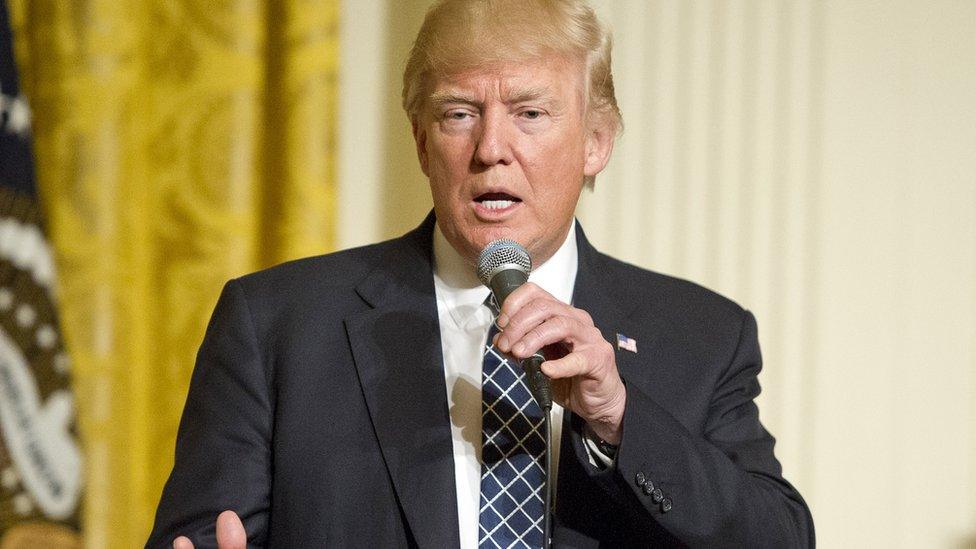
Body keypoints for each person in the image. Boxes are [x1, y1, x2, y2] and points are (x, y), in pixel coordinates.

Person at [147, 0, 815, 547]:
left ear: (596, 143)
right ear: (419, 141)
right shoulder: (277, 324)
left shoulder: (702, 334)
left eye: (529, 114)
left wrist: (618, 416)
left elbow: (781, 538)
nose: (491, 149)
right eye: (458, 114)